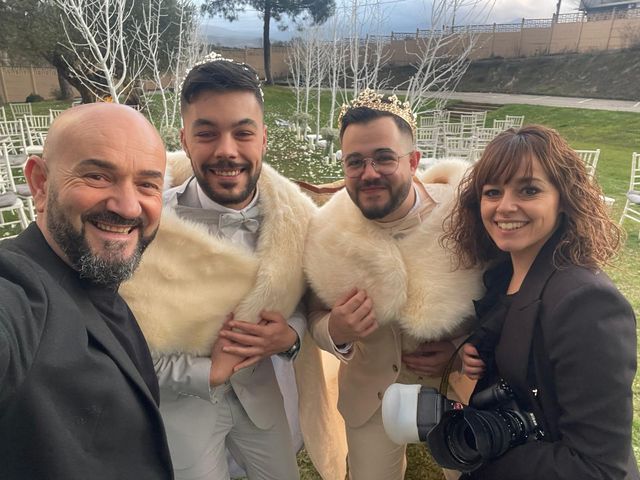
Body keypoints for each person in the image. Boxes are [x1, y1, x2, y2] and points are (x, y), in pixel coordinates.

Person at [120, 53, 341, 480]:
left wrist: (290, 333)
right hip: (183, 410)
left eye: (243, 133)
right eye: (207, 133)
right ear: (184, 140)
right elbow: (123, 344)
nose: (227, 151)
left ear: (263, 141)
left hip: (263, 401)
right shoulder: (144, 226)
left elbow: (299, 297)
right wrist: (208, 372)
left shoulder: (295, 223)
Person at [304, 89, 484, 480]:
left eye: (384, 157)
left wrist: (458, 348)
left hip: (459, 390)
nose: (369, 173)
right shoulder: (327, 233)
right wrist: (336, 330)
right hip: (370, 395)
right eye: (355, 162)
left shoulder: (463, 219)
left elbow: (502, 302)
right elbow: (313, 314)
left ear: (414, 160)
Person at [448, 125, 639, 479]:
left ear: (563, 198)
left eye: (529, 190)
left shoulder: (587, 302)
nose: (505, 206)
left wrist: (485, 462)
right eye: (492, 191)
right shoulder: (502, 274)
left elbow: (597, 467)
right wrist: (475, 349)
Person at [0, 103, 173, 479]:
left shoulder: (96, 280)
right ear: (40, 183)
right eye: (97, 176)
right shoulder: (18, 287)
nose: (128, 206)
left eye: (147, 184)